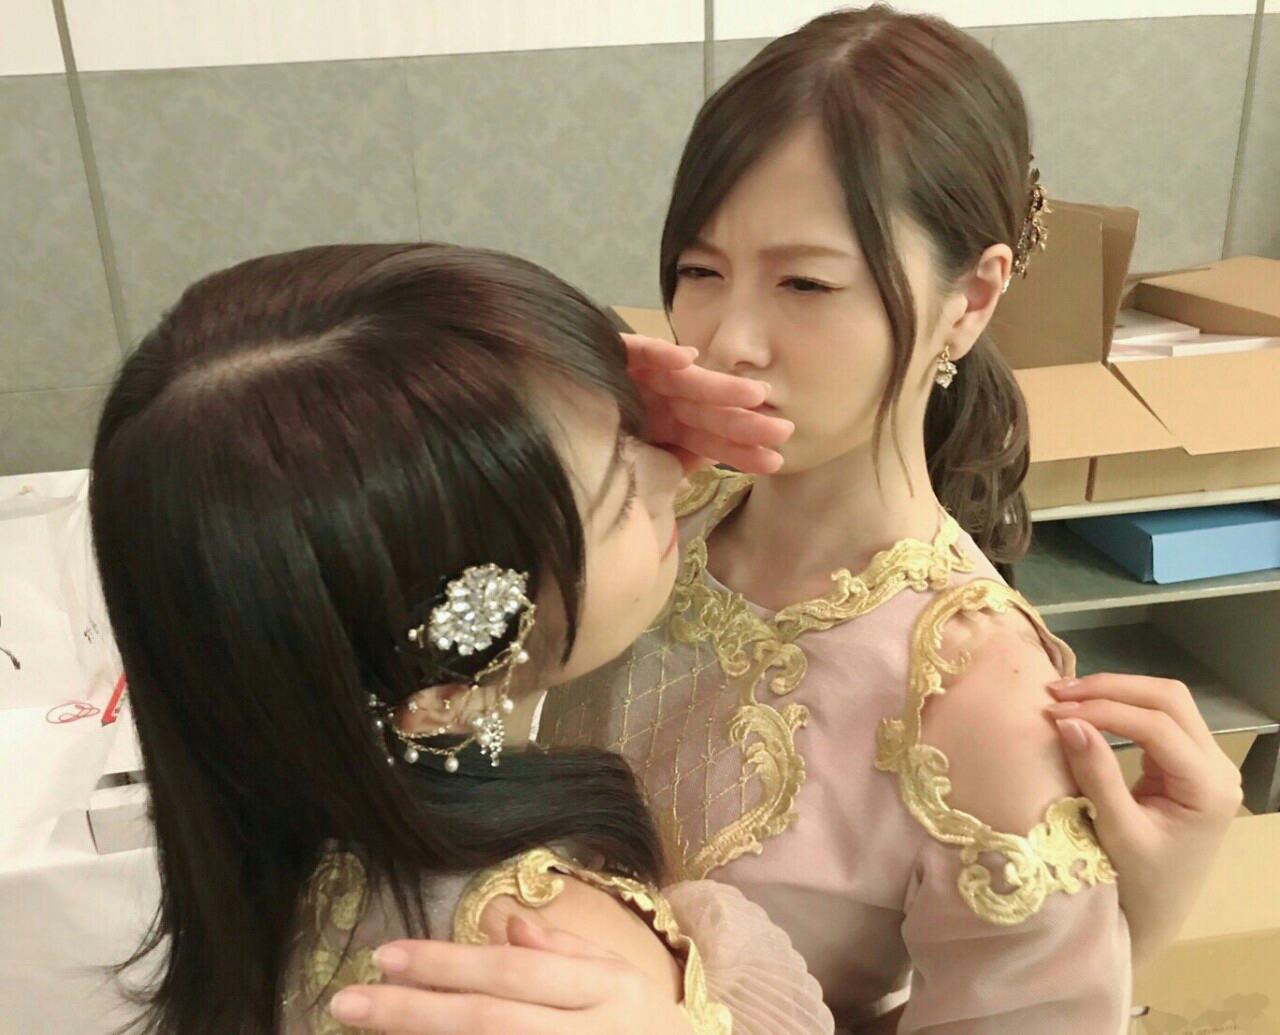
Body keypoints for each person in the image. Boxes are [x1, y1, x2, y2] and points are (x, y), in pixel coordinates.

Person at [341, 7, 1242, 1034]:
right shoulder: (646, 515)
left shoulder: (980, 699)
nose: (728, 339)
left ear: (971, 298)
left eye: (805, 283)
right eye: (699, 271)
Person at [90, 242, 834, 1035]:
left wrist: (571, 404)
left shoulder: (275, 822)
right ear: (444, 691)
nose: (671, 472)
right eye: (619, 491)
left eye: (630, 428)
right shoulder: (548, 960)